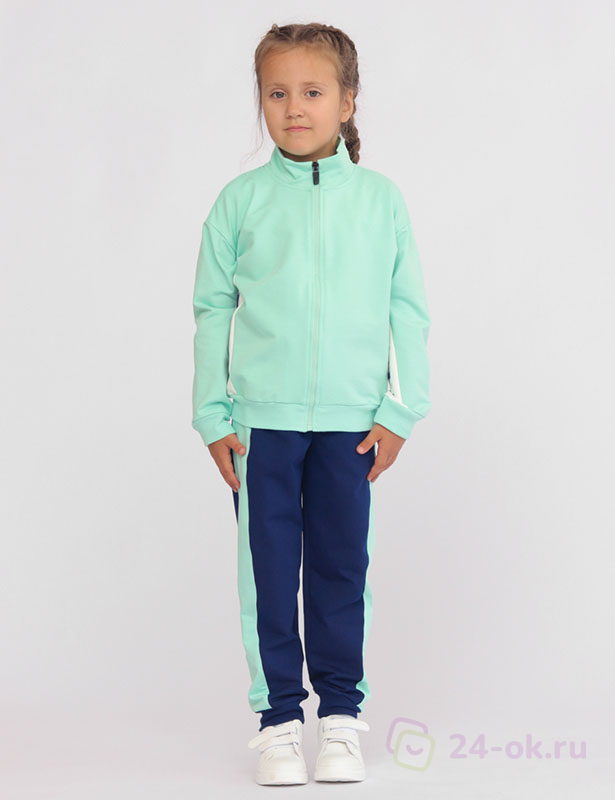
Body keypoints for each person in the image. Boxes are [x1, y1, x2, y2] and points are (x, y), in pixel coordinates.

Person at [191, 21, 431, 786]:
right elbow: (211, 310)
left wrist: (399, 411)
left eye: (312, 91)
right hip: (259, 425)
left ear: (347, 102)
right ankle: (276, 722)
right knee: (266, 575)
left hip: (349, 426)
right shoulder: (240, 202)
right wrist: (212, 414)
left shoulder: (380, 201)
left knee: (338, 571)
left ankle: (339, 719)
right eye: (276, 92)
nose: (293, 107)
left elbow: (406, 310)